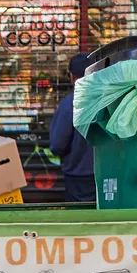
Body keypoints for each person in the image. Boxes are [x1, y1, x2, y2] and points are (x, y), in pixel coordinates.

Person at [49, 51, 97, 204]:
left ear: (70, 76)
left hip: (77, 177)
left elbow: (57, 145)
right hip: (107, 174)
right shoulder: (109, 100)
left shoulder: (68, 105)